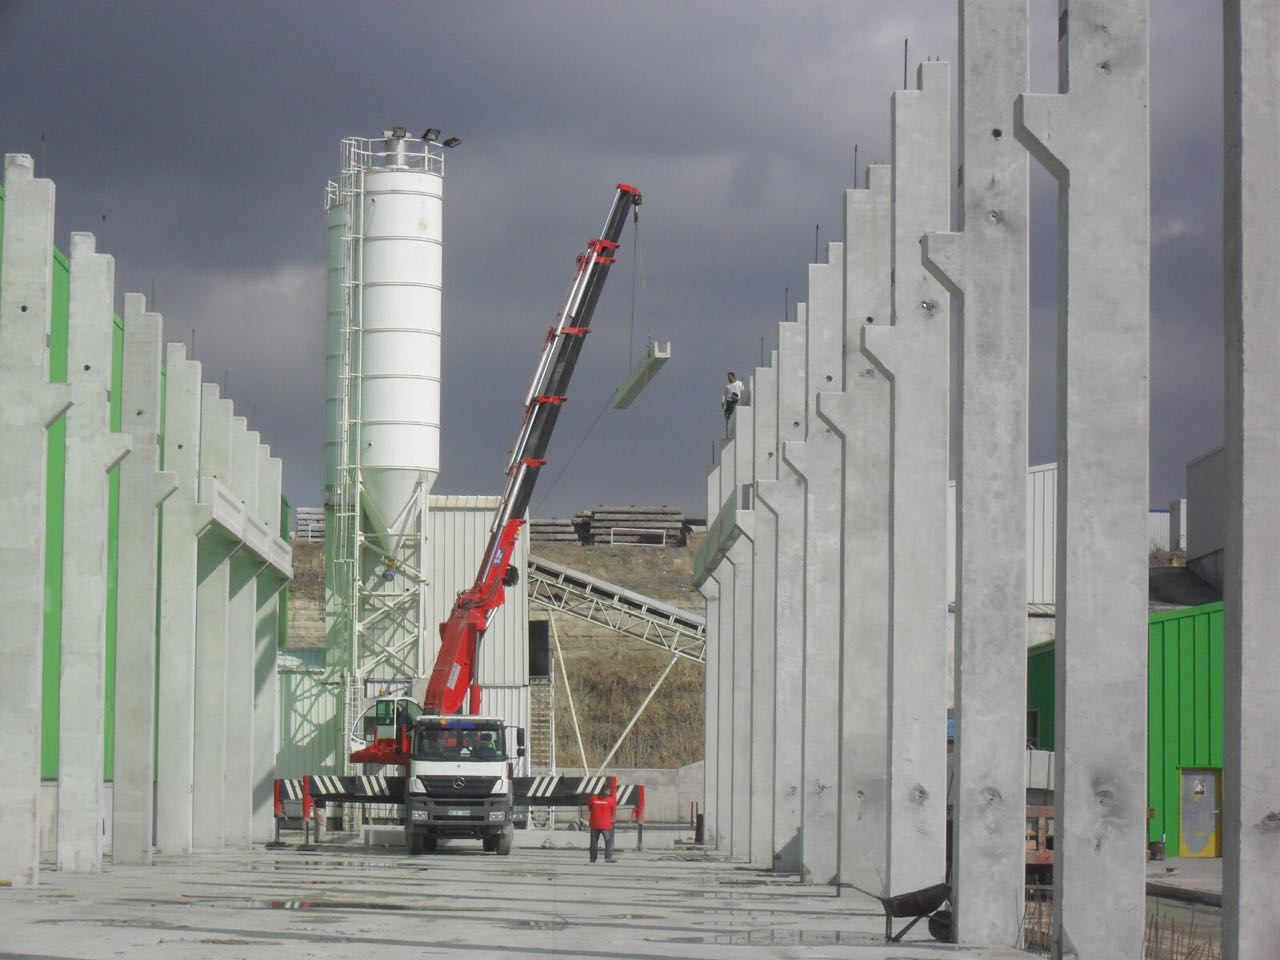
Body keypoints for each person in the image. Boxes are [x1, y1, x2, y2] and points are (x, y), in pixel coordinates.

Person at [587, 790, 618, 863]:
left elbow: (590, 808)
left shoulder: (593, 799)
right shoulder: (611, 800)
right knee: (608, 841)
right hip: (606, 825)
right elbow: (613, 811)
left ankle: (593, 858)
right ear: (607, 792)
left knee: (594, 842)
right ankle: (608, 857)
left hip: (595, 824)